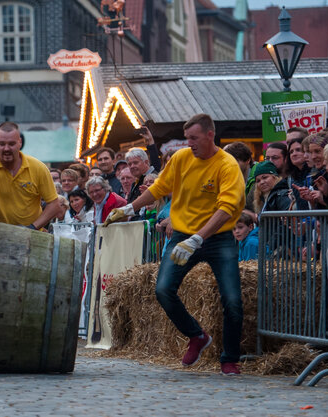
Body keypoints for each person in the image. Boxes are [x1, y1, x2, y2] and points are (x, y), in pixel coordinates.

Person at [104, 113, 245, 375]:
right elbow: (159, 188)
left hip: (217, 238)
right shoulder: (180, 158)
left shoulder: (226, 165)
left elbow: (227, 208)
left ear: (209, 135)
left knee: (233, 300)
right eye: (187, 138)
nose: (189, 143)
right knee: (163, 290)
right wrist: (130, 209)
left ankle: (230, 358)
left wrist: (199, 238)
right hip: (182, 234)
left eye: (194, 138)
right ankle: (197, 335)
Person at [0, 121, 60, 230]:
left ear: (20, 143)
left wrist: (32, 227)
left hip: (32, 238)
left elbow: (54, 205)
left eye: (11, 144)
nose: (6, 149)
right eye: (2, 144)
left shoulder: (38, 168)